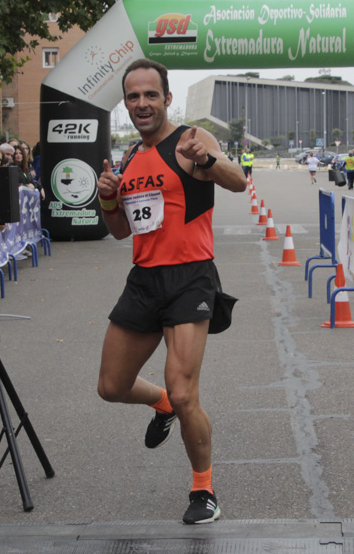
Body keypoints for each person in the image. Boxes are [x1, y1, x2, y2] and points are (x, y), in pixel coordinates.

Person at [96, 59, 245, 524]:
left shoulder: (191, 140)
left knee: (185, 394)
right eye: (133, 96)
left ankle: (204, 489)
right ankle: (157, 403)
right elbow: (120, 231)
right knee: (112, 387)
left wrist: (205, 160)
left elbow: (239, 181)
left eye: (150, 95)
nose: (142, 103)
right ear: (126, 103)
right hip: (144, 279)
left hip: (189, 277)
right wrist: (106, 198)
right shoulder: (129, 159)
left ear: (166, 98)